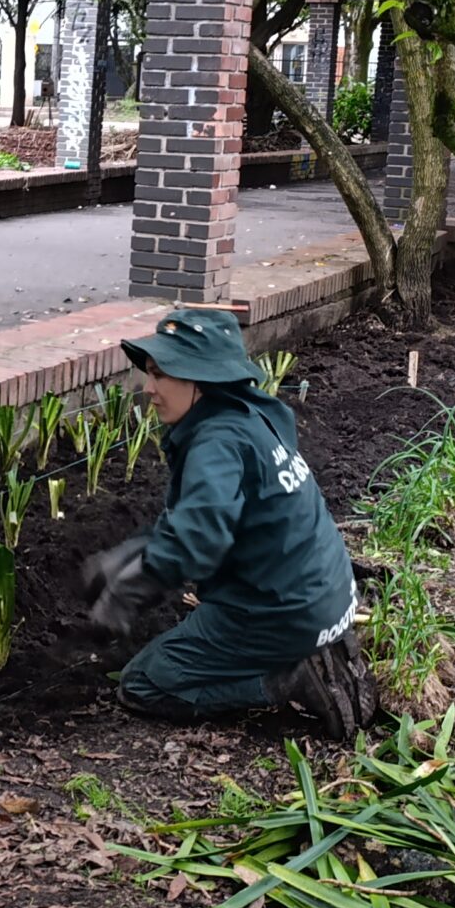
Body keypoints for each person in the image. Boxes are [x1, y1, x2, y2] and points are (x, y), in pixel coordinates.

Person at [84, 307, 377, 738]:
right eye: (149, 373)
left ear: (201, 380)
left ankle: (286, 680)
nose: (149, 388)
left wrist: (130, 588)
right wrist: (131, 555)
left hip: (279, 611)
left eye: (162, 374)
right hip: (327, 593)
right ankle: (315, 644)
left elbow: (198, 538)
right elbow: (201, 516)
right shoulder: (256, 415)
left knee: (142, 683)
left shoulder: (215, 443)